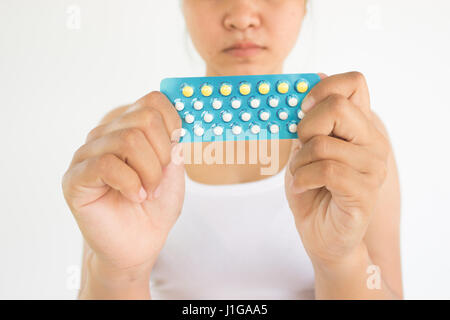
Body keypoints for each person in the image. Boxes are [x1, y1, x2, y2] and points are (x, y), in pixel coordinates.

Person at [62, 0, 402, 299]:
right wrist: (118, 272)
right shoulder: (127, 141)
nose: (242, 15)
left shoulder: (354, 140)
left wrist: (341, 261)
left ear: (304, 5)